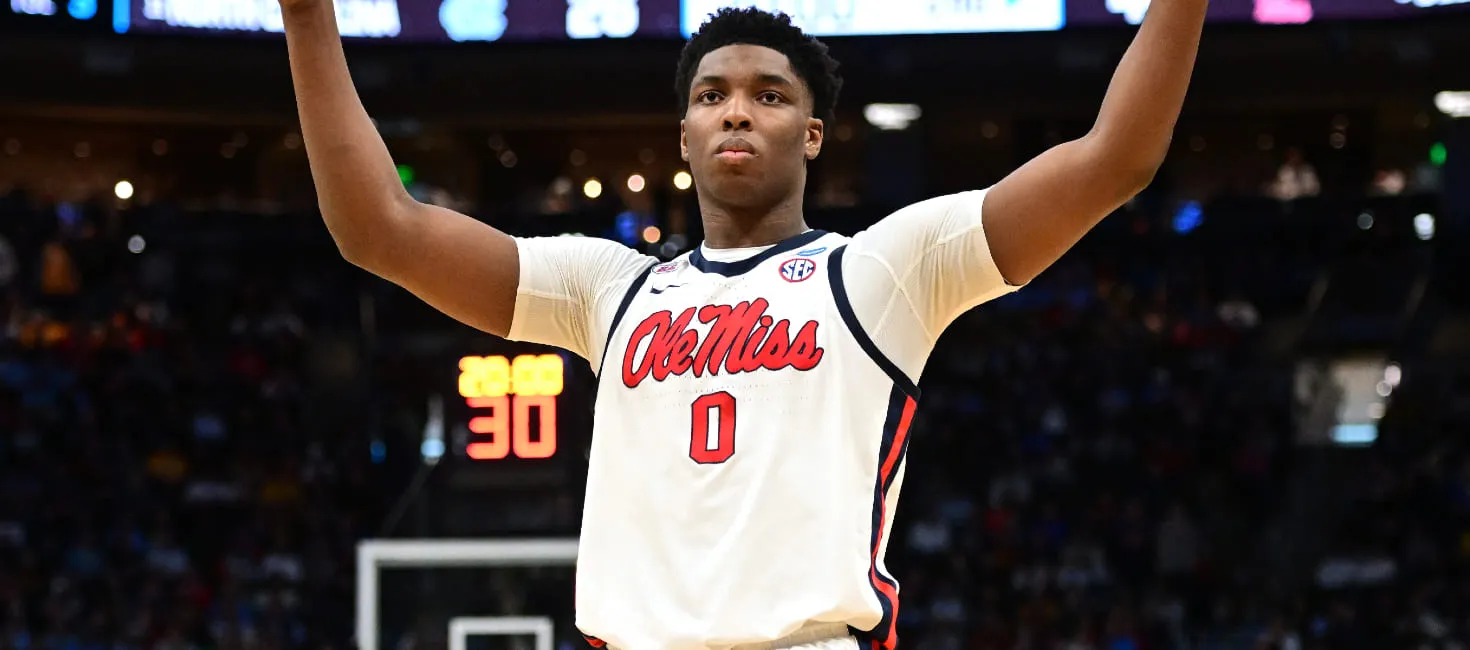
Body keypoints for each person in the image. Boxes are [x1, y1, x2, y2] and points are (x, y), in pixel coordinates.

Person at [277, 1, 1206, 648]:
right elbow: (379, 231)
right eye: (712, 94)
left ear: (813, 133)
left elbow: (1115, 158)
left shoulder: (881, 269)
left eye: (770, 95)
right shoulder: (609, 288)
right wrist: (308, 16)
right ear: (683, 135)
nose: (737, 112)